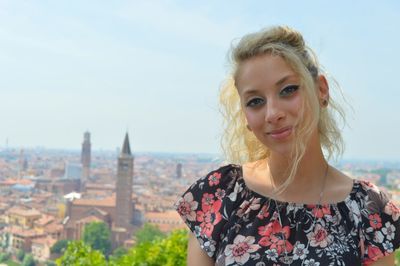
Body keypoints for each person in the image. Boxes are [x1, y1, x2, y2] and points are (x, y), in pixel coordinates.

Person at [174, 26, 400, 265]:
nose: (272, 113)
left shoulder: (369, 208)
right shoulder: (219, 194)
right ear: (245, 117)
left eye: (288, 90)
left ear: (321, 90)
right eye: (255, 101)